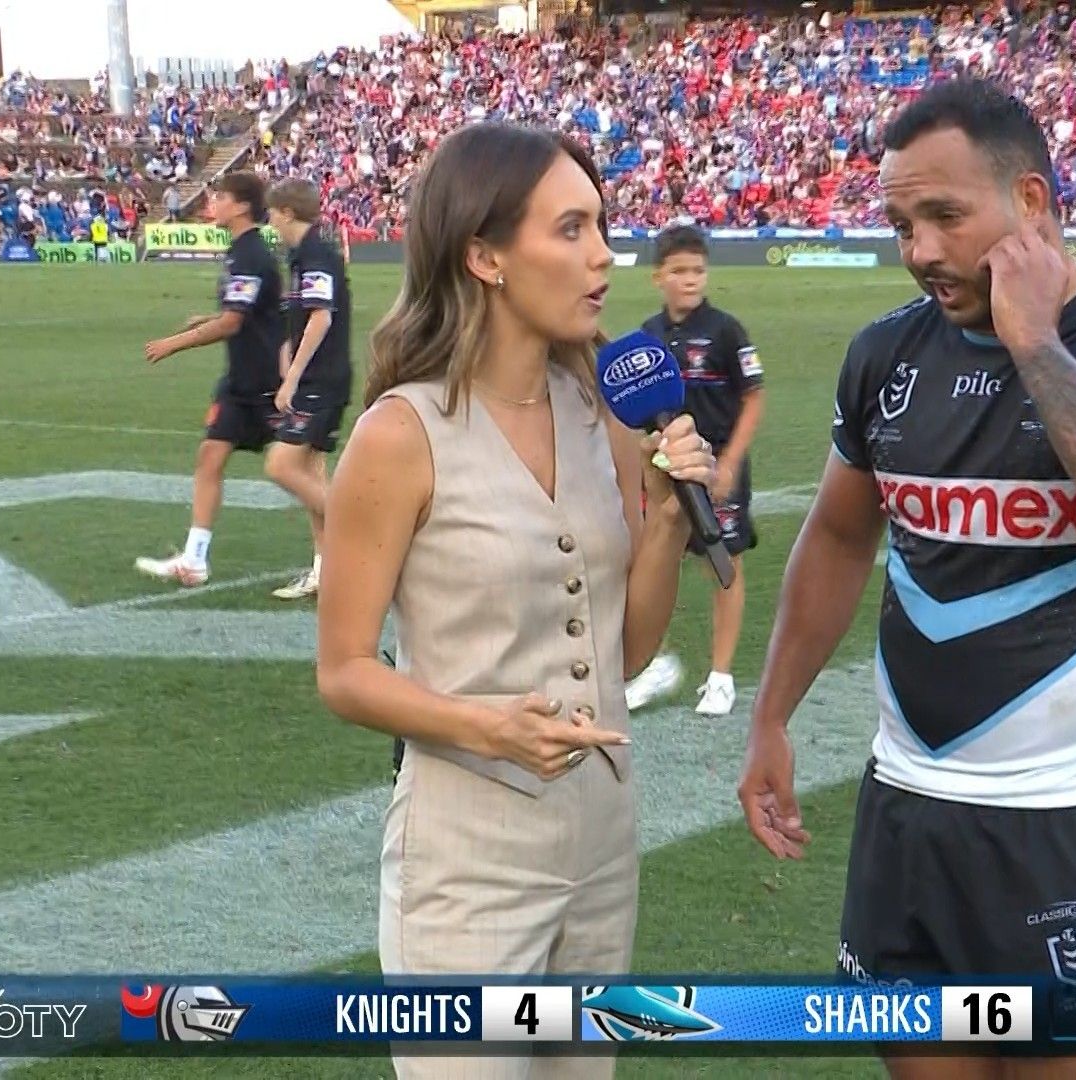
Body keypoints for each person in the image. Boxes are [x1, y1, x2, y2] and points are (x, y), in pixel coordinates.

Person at [739, 79, 1076, 1080]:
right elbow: (838, 536)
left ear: (1032, 203)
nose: (920, 250)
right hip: (907, 807)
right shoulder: (885, 354)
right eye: (901, 225)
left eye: (945, 216)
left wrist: (1033, 340)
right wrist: (772, 716)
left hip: (1072, 821)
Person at [316, 123, 717, 1080]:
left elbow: (623, 655)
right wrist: (484, 726)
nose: (604, 255)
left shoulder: (600, 413)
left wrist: (668, 520)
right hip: (468, 862)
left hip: (602, 845)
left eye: (601, 225)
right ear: (485, 256)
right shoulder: (399, 434)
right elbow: (343, 672)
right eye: (570, 229)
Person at [622, 224, 766, 716]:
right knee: (644, 561)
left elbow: (753, 397)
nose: (690, 280)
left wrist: (730, 462)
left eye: (698, 271)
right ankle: (654, 662)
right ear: (657, 277)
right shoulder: (649, 334)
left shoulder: (726, 331)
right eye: (679, 271)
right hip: (666, 467)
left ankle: (721, 677)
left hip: (714, 464)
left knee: (723, 565)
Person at [135, 171, 299, 588]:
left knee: (302, 471)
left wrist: (173, 344)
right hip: (240, 382)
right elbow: (251, 309)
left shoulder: (250, 254)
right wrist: (211, 316)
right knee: (210, 455)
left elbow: (232, 323)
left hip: (267, 383)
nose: (212, 203)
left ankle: (348, 548)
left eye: (220, 196)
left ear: (241, 206)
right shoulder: (242, 251)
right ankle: (194, 559)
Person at [263, 177, 353, 601]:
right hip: (319, 377)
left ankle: (367, 533)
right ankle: (326, 570)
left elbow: (321, 317)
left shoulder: (315, 254)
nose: (270, 222)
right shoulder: (305, 255)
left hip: (322, 380)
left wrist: (294, 376)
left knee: (281, 466)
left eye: (272, 213)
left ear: (287, 212)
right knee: (312, 473)